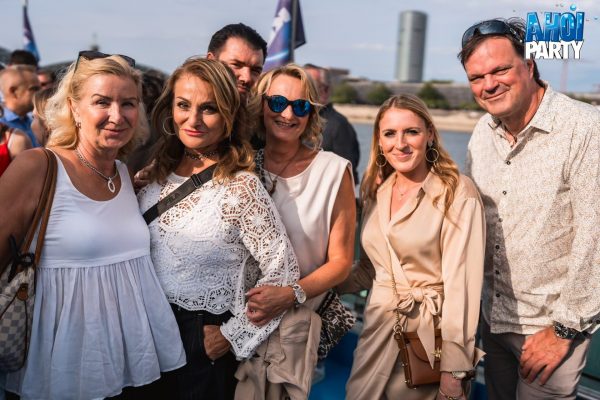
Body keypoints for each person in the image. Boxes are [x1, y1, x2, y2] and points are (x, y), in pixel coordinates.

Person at [0, 51, 186, 399]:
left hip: (129, 365)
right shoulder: (38, 167)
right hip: (59, 369)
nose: (117, 115)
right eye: (102, 102)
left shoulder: (123, 174)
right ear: (73, 107)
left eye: (128, 103)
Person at [137, 57, 299, 400]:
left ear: (228, 116)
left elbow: (282, 271)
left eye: (208, 108)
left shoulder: (241, 187)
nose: (193, 119)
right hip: (143, 331)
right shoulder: (153, 176)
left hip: (199, 341)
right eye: (183, 105)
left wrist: (232, 335)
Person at [460, 18, 600, 400]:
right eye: (477, 77)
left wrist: (563, 331)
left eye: (500, 70)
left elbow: (595, 239)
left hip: (551, 332)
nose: (489, 84)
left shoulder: (585, 128)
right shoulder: (482, 131)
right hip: (493, 319)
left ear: (529, 65)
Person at [337, 94, 485, 400]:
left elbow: (463, 288)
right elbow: (369, 271)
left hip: (427, 343)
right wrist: (310, 286)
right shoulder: (376, 191)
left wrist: (454, 373)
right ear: (379, 141)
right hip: (376, 331)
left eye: (412, 132)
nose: (400, 144)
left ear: (429, 134)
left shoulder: (457, 192)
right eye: (390, 133)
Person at [238, 63, 356, 397]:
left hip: (294, 326)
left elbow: (341, 262)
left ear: (312, 113)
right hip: (238, 323)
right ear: (261, 105)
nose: (288, 114)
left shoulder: (333, 172)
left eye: (300, 106)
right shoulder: (242, 165)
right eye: (278, 103)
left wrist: (289, 294)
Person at [304, 63, 360, 184]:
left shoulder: (339, 125)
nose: (303, 90)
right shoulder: (296, 120)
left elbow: (348, 175)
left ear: (325, 90)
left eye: (310, 85)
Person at [206, 23, 266, 100]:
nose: (246, 78)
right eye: (236, 65)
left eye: (255, 70)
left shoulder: (271, 105)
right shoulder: (191, 105)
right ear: (211, 61)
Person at [0, 65, 40, 147]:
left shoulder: (32, 121)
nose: (40, 93)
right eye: (34, 89)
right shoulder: (2, 126)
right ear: (14, 92)